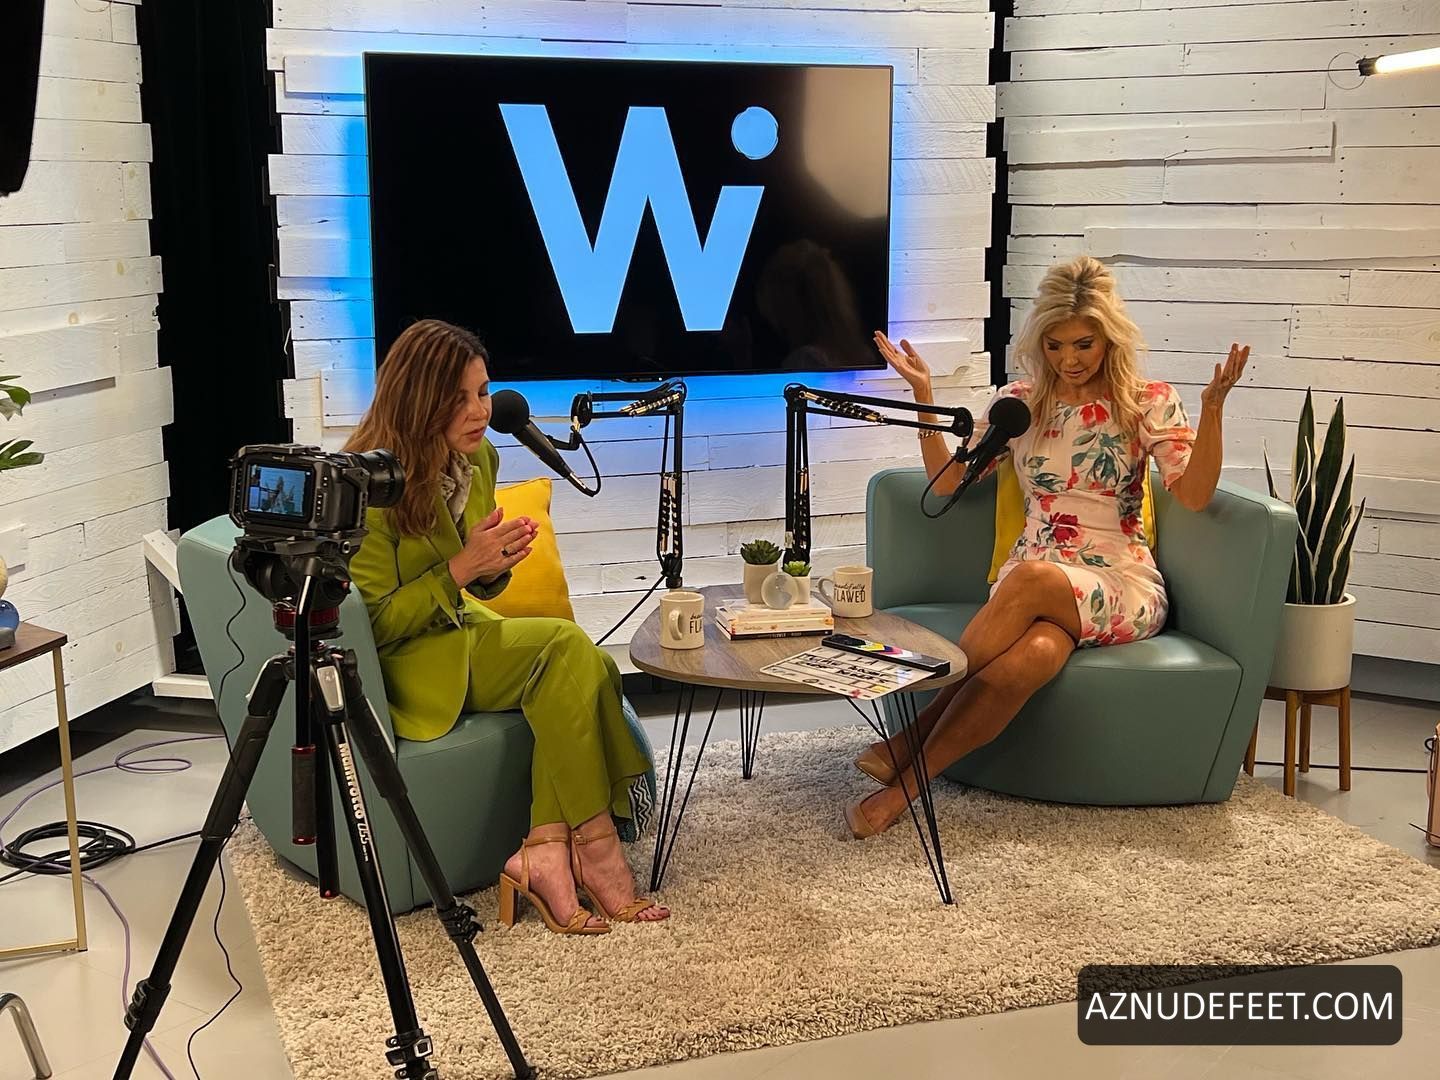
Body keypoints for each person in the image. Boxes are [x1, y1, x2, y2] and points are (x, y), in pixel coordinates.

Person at [851, 256, 1250, 837]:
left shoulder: (1147, 401)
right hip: (1031, 578)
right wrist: (924, 395)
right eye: (1056, 345)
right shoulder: (1019, 403)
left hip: (1118, 582)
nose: (1070, 360)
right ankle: (900, 797)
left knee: (1033, 580)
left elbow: (1192, 494)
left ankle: (913, 733)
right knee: (1033, 654)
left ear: (1109, 338)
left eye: (1084, 344)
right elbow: (948, 484)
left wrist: (1212, 410)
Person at [344, 319, 669, 932]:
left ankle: (544, 850)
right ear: (418, 400)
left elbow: (478, 580)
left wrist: (492, 566)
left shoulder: (479, 457)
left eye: (484, 392)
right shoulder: (368, 485)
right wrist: (462, 569)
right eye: (459, 397)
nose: (480, 411)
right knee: (566, 648)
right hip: (409, 661)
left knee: (592, 663)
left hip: (461, 627)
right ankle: (597, 846)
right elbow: (375, 625)